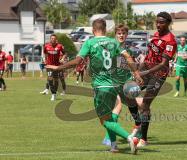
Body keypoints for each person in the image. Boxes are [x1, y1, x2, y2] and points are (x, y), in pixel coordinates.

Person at [46, 18, 143, 154]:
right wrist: (137, 73)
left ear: (93, 30)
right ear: (105, 29)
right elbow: (127, 57)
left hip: (101, 86)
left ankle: (129, 138)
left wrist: (58, 68)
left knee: (104, 120)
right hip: (114, 85)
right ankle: (114, 146)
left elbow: (78, 61)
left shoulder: (90, 42)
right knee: (109, 116)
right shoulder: (113, 42)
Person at [135, 12, 177, 147]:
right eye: (157, 22)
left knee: (145, 105)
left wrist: (145, 72)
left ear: (168, 23)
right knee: (127, 92)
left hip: (158, 75)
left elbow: (163, 64)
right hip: (146, 69)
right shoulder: (155, 35)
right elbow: (149, 55)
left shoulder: (170, 40)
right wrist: (139, 71)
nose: (158, 25)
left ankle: (143, 139)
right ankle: (138, 124)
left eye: (161, 22)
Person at [102, 24, 142, 147]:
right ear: (115, 34)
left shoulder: (128, 50)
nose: (121, 35)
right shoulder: (112, 46)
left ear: (126, 35)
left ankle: (138, 128)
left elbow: (129, 65)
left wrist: (135, 75)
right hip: (113, 82)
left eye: (123, 33)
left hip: (126, 83)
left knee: (134, 105)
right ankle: (108, 138)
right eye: (119, 33)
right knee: (117, 107)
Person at [43, 34, 66, 101]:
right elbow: (45, 53)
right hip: (49, 65)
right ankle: (52, 93)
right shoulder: (46, 46)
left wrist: (62, 59)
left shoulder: (59, 46)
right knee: (50, 79)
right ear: (50, 39)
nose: (53, 39)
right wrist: (45, 59)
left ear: (56, 40)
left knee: (56, 80)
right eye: (52, 38)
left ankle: (54, 94)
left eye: (54, 38)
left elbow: (64, 53)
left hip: (56, 66)